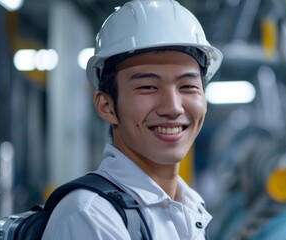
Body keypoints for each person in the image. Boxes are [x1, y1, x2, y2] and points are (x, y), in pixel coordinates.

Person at [42, 0, 222, 239]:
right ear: (107, 106)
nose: (173, 107)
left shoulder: (190, 206)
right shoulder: (90, 217)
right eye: (148, 87)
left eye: (188, 86)